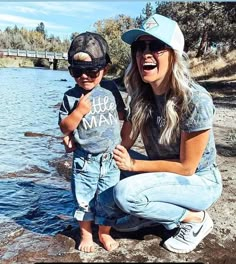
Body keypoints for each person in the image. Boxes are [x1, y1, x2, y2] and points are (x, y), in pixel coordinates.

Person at [107, 14, 222, 254]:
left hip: (199, 182)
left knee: (125, 194)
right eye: (140, 47)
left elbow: (186, 168)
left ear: (174, 55)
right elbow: (123, 144)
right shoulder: (141, 95)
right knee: (105, 166)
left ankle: (194, 219)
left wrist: (134, 165)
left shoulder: (194, 99)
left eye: (156, 46)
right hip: (163, 173)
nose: (145, 54)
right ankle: (147, 214)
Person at [58, 31, 129, 252]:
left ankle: (104, 233)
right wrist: (78, 112)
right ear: (71, 71)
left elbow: (122, 116)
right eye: (77, 71)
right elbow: (64, 126)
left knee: (108, 199)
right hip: (84, 160)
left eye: (91, 70)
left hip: (110, 160)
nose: (85, 76)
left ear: (105, 69)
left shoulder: (110, 89)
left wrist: (124, 145)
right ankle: (86, 235)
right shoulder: (71, 96)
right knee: (84, 200)